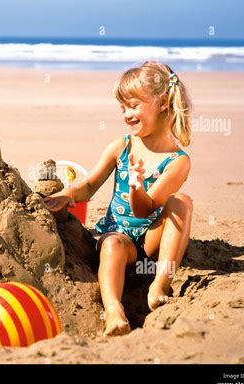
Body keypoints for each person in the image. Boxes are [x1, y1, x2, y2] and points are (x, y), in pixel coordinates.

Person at [44, 61, 194, 336]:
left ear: (162, 102)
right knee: (112, 243)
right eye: (122, 107)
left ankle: (160, 283)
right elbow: (89, 185)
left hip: (149, 242)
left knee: (181, 201)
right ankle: (113, 309)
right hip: (118, 240)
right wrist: (67, 194)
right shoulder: (122, 146)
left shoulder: (177, 162)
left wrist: (137, 187)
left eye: (134, 105)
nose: (127, 114)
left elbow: (145, 208)